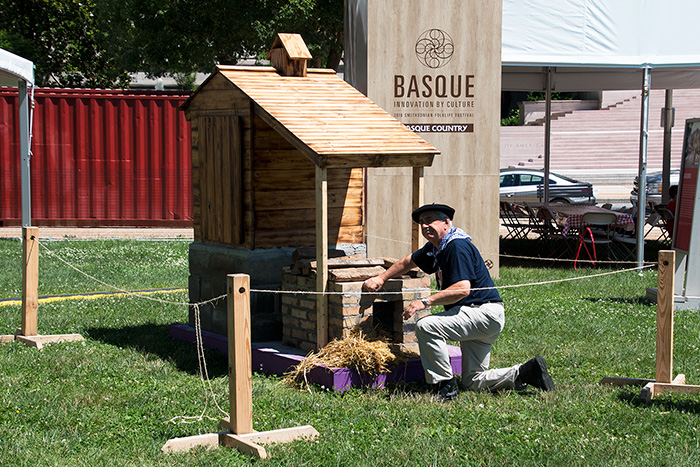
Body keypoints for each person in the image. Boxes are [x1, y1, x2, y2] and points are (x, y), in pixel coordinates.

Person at [363, 203, 554, 401]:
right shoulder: (437, 247)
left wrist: (425, 302)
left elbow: (462, 289)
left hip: (482, 314)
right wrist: (381, 278)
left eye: (430, 220)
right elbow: (408, 262)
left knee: (427, 326)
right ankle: (525, 372)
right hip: (480, 317)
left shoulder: (456, 246)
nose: (424, 226)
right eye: (421, 223)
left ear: (446, 222)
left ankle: (445, 385)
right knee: (472, 381)